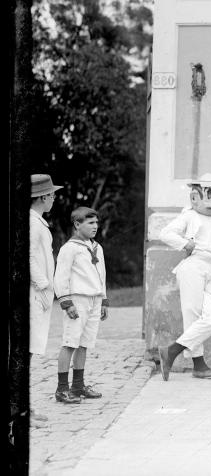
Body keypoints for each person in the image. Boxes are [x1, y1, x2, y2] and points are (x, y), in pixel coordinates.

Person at [158, 174, 211, 381]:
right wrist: (184, 244)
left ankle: (171, 351)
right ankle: (198, 366)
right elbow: (166, 233)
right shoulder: (190, 215)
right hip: (194, 267)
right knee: (192, 316)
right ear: (196, 195)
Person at [53, 207, 108, 403]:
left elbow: (102, 275)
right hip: (77, 299)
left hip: (94, 299)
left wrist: (104, 300)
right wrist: (67, 302)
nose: (95, 227)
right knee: (70, 342)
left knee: (84, 343)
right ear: (77, 224)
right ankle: (62, 388)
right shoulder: (69, 248)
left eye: (96, 223)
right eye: (90, 223)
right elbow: (61, 277)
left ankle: (78, 385)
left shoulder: (97, 247)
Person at [29, 174, 62, 418]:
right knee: (25, 352)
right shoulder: (31, 223)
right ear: (43, 197)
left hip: (38, 292)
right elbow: (28, 257)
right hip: (33, 293)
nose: (53, 199)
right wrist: (42, 287)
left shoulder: (38, 221)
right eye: (52, 195)